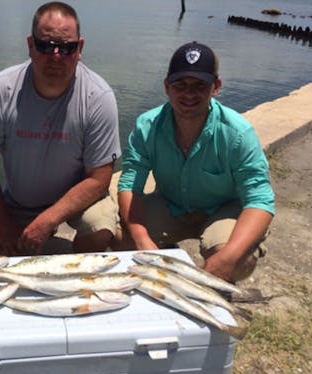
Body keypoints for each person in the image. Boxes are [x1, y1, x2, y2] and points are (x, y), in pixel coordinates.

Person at [0, 2, 121, 256]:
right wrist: (4, 224)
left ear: (80, 49)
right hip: (20, 202)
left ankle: (76, 272)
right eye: (46, 46)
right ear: (30, 45)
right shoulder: (0, 90)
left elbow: (99, 178)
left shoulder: (98, 96)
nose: (56, 56)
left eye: (67, 47)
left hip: (78, 199)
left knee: (99, 227)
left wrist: (49, 220)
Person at [117, 41, 275, 283]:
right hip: (172, 203)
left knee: (238, 259)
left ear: (216, 87)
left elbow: (260, 200)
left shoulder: (238, 133)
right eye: (180, 85)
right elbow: (130, 183)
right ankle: (169, 258)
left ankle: (215, 277)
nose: (189, 94)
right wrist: (141, 238)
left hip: (224, 208)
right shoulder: (147, 126)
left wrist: (227, 259)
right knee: (121, 237)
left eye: (200, 85)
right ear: (167, 87)